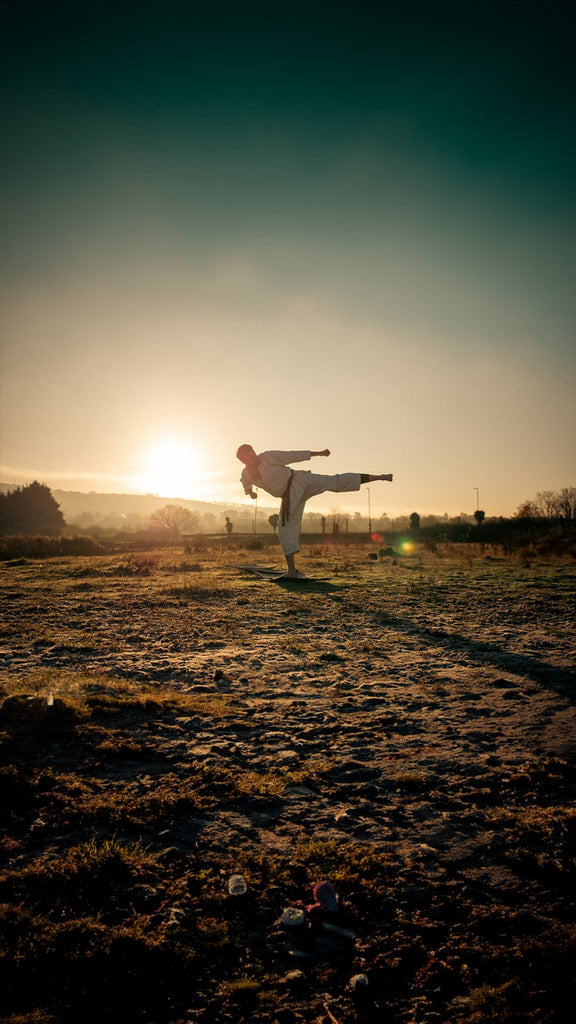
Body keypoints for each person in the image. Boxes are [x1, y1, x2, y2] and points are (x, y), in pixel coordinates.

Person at [236, 445, 393, 578]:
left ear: (254, 451)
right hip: (289, 496)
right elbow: (245, 484)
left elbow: (292, 456)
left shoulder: (268, 457)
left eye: (252, 454)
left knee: (334, 482)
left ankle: (380, 477)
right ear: (243, 461)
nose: (253, 458)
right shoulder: (246, 473)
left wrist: (320, 453)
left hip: (299, 480)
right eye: (247, 458)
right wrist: (250, 493)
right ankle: (292, 571)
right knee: (284, 528)